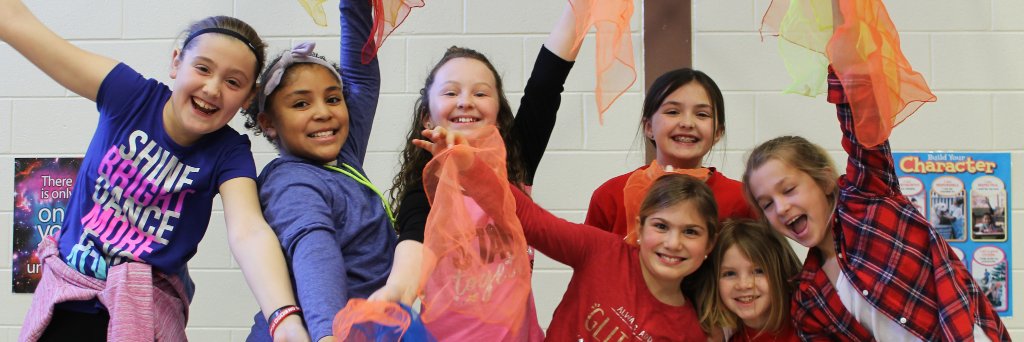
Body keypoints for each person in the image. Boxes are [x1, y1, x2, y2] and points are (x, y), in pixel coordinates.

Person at [0, 1, 308, 340]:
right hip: (70, 297)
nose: (212, 89)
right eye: (203, 69)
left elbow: (249, 231)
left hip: (145, 311)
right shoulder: (129, 96)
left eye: (233, 82)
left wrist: (283, 317)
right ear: (177, 62)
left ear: (248, 98)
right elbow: (18, 24)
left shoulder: (229, 152)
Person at [742, 51, 1008, 342]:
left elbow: (859, 112)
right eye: (766, 204)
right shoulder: (809, 299)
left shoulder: (868, 200)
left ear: (825, 181)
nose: (781, 207)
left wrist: (842, 39)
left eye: (789, 189)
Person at [370, 3, 583, 340]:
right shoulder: (427, 187)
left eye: (480, 93)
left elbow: (547, 81)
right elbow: (414, 242)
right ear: (428, 117)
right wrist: (399, 287)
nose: (466, 101)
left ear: (498, 114)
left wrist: (583, 8)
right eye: (451, 92)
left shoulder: (516, 161)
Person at [417, 128, 716, 341]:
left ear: (708, 245)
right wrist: (468, 165)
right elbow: (532, 220)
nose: (673, 243)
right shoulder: (603, 251)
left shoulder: (688, 331)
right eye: (661, 226)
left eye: (690, 232)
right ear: (639, 228)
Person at [240, 1, 395, 341]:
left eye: (333, 99)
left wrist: (354, 6)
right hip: (322, 332)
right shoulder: (292, 181)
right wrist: (328, 334)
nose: (323, 113)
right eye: (301, 103)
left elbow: (362, 80)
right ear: (268, 123)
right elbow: (315, 252)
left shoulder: (342, 156)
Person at [585, 68, 755, 237]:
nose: (687, 123)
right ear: (649, 127)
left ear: (718, 132)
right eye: (673, 112)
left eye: (702, 114)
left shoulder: (742, 200)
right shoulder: (611, 195)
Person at [699, 220, 801, 342]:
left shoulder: (808, 323)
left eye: (758, 271)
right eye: (730, 273)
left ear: (781, 272)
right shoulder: (726, 338)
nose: (743, 285)